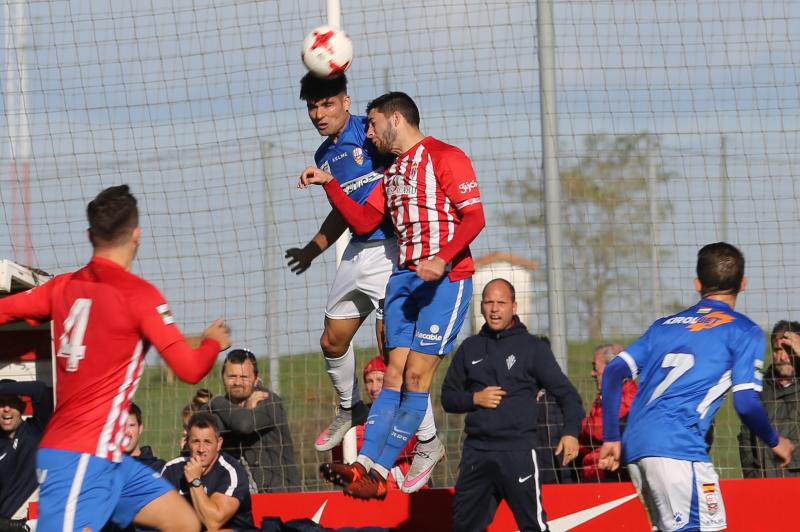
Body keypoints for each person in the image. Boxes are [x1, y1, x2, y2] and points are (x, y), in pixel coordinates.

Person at [0, 184, 231, 531]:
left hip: (109, 460)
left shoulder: (61, 287)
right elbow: (192, 368)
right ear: (136, 234)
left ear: (90, 234)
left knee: (184, 523)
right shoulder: (139, 296)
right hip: (76, 459)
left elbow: (6, 308)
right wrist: (212, 342)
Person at [301, 91, 486, 499]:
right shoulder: (393, 172)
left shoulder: (445, 156)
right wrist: (331, 185)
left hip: (447, 279)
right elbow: (365, 219)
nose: (367, 132)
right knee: (393, 377)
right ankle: (364, 466)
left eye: (371, 123)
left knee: (417, 377)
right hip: (404, 281)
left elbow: (475, 217)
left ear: (395, 119)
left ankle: (387, 466)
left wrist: (442, 259)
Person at [289, 74, 438, 460]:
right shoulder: (324, 155)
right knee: (332, 340)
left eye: (327, 104)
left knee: (398, 354)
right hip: (356, 250)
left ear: (346, 101)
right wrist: (311, 249)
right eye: (312, 107)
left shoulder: (370, 132)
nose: (318, 114)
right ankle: (349, 407)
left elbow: (375, 205)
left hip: (390, 249)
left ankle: (427, 441)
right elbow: (345, 214)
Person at [599, 242, 795, 532]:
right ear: (743, 284)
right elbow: (745, 402)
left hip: (637, 447)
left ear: (698, 284)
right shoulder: (743, 330)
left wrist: (612, 437)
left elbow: (613, 371)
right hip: (679, 449)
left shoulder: (663, 326)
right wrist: (776, 441)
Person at [441, 278, 584, 532]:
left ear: (514, 307)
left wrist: (571, 432)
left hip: (518, 452)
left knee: (533, 527)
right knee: (464, 527)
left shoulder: (532, 348)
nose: (494, 309)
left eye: (501, 303)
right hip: (477, 453)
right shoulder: (469, 348)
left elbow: (568, 395)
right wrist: (474, 399)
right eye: (488, 302)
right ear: (481, 306)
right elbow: (448, 398)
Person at [207, 349, 301, 492]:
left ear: (256, 378)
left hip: (278, 495)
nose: (237, 382)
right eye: (232, 376)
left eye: (244, 377)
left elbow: (244, 425)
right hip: (233, 496)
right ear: (222, 377)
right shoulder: (218, 408)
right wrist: (243, 410)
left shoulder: (268, 401)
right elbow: (206, 427)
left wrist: (215, 401)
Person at [331, 356, 420, 490]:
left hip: (408, 483)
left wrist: (361, 442)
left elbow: (410, 444)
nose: (374, 388)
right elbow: (340, 456)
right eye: (369, 381)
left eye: (380, 380)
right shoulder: (358, 416)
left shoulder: (408, 409)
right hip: (369, 486)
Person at [161, 412, 254, 531]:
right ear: (187, 442)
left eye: (207, 442)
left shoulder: (231, 472)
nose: (201, 449)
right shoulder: (172, 469)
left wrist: (194, 480)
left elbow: (213, 523)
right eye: (195, 441)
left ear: (219, 443)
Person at [738, 320, 800, 477]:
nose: (782, 356)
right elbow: (745, 438)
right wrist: (752, 477)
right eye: (777, 349)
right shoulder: (757, 388)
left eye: (788, 349)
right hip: (764, 485)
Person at [578, 343, 637, 482]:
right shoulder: (603, 395)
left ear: (612, 368)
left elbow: (599, 429)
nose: (592, 373)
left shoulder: (628, 393)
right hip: (595, 470)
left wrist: (577, 429)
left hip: (611, 473)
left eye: (595, 367)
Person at [0, 379, 52, 531]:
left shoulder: (37, 429)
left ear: (22, 408)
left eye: (12, 403)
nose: (7, 409)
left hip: (40, 523)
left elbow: (40, 389)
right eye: (1, 403)